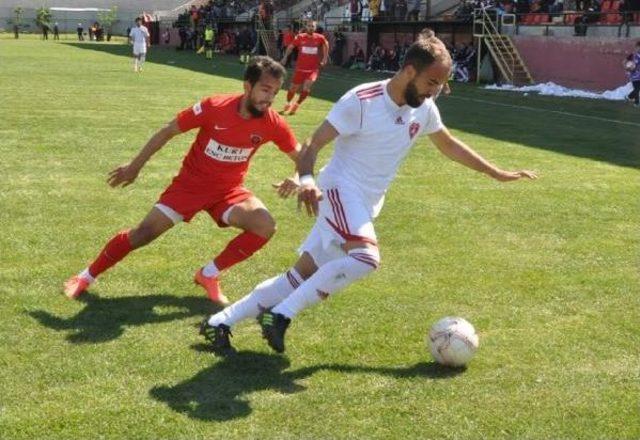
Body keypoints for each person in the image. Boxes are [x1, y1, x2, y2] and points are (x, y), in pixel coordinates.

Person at [200, 31, 537, 356]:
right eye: (432, 82)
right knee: (366, 258)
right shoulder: (362, 101)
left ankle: (220, 322)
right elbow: (312, 145)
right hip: (339, 190)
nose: (437, 91)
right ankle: (281, 314)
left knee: (300, 274)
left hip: (366, 202)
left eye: (441, 84)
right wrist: (306, 179)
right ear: (409, 71)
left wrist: (496, 172)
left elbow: (449, 145)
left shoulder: (424, 108)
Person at [63, 57, 301, 306]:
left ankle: (208, 274)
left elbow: (301, 157)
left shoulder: (272, 123)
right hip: (189, 188)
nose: (270, 98)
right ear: (247, 86)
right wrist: (134, 167)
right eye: (265, 89)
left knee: (265, 225)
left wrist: (298, 177)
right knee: (143, 234)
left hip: (227, 192)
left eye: (275, 91)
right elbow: (167, 131)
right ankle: (85, 277)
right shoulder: (214, 106)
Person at [280, 20, 329, 115]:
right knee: (293, 88)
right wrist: (285, 57)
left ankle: (296, 105)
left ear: (315, 28)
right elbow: (290, 47)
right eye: (309, 26)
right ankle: (288, 103)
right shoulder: (300, 37)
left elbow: (326, 45)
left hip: (313, 69)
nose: (311, 28)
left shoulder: (320, 38)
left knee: (306, 88)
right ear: (306, 27)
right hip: (300, 69)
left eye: (313, 26)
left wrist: (325, 58)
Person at [625, 41, 640, 107]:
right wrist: (627, 68)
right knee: (637, 89)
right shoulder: (632, 55)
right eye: (639, 47)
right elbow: (624, 62)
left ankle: (629, 97)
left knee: (637, 89)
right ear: (636, 47)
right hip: (634, 76)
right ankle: (636, 103)